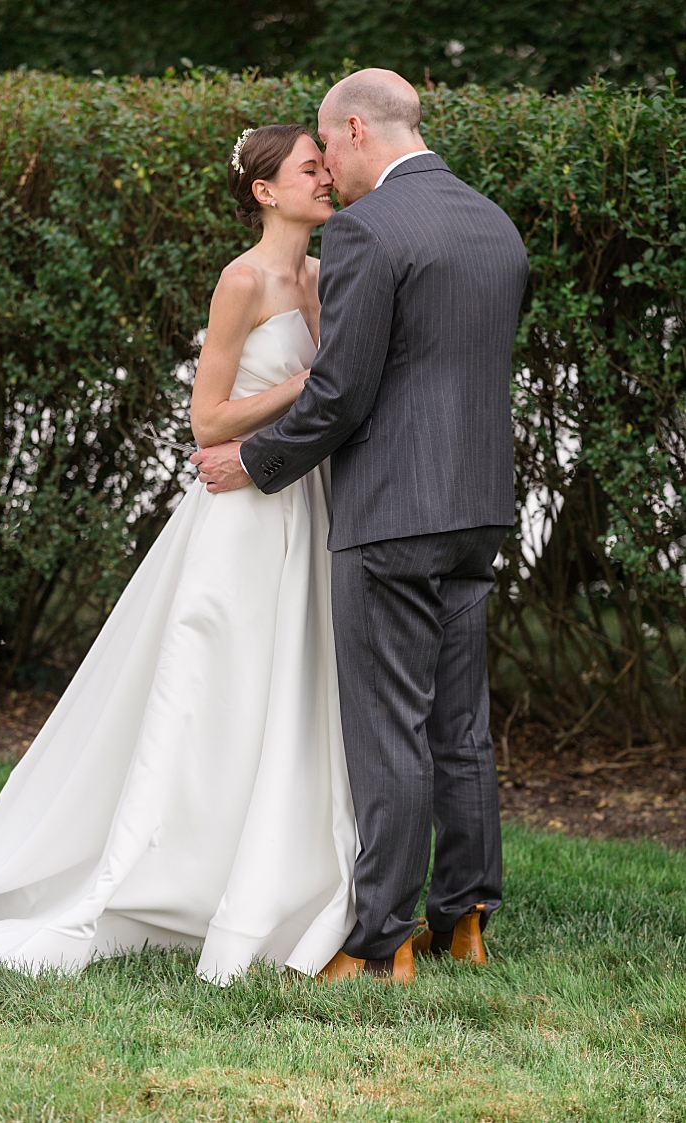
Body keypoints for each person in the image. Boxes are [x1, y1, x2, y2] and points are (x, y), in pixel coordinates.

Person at [0, 125, 360, 984]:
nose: (325, 178)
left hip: (309, 503)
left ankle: (283, 871)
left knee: (299, 686)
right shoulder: (242, 280)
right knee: (220, 688)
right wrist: (307, 385)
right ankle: (172, 877)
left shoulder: (327, 276)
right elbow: (207, 421)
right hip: (242, 513)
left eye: (325, 165)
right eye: (309, 169)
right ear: (265, 192)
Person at [193, 69, 529, 981]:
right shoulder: (491, 222)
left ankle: (382, 938)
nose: (330, 170)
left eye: (327, 146)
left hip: (391, 512)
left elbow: (343, 392)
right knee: (459, 725)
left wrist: (254, 464)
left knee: (390, 726)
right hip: (478, 507)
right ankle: (465, 917)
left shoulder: (367, 233)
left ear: (353, 128)